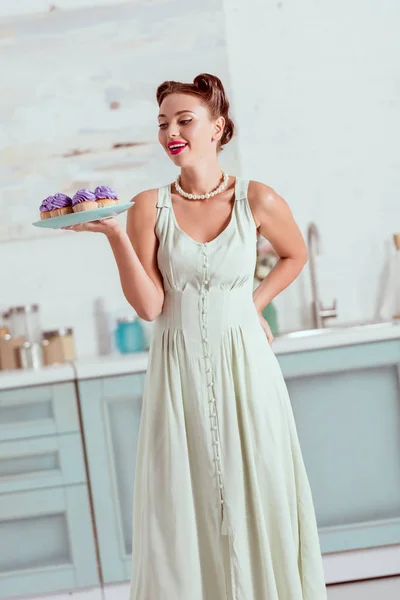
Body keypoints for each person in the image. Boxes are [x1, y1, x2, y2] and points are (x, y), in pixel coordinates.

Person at [64, 73, 327, 599]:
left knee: (261, 484)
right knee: (183, 493)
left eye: (184, 119)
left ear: (217, 127)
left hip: (246, 364)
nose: (171, 132)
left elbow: (296, 254)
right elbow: (150, 305)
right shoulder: (147, 207)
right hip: (176, 367)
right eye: (163, 123)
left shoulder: (258, 200)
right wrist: (115, 235)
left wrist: (252, 304)